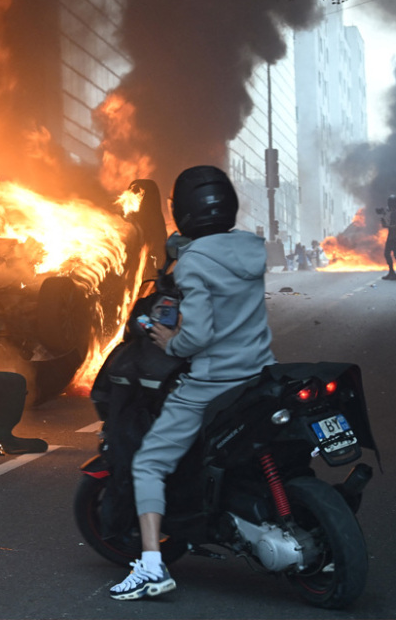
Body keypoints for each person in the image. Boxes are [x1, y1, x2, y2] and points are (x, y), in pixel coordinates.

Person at [109, 165, 275, 601]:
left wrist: (171, 341)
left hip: (211, 382)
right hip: (258, 373)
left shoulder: (195, 262)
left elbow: (197, 336)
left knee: (147, 464)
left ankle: (150, 567)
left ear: (182, 211)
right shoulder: (250, 247)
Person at [379, 194, 396, 281]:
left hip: (394, 237)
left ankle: (395, 273)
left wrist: (387, 226)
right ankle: (394, 273)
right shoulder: (395, 212)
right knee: (394, 255)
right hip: (393, 236)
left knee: (390, 254)